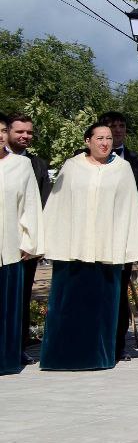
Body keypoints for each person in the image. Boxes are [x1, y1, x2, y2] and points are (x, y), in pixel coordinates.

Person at [40, 123, 138, 370]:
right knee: (68, 306)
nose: (104, 143)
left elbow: (129, 209)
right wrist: (49, 241)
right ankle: (62, 356)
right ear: (88, 141)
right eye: (99, 138)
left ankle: (97, 357)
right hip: (72, 248)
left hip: (107, 250)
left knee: (100, 309)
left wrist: (130, 247)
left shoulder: (122, 168)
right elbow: (57, 205)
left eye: (108, 138)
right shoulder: (72, 167)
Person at [101, 110, 138, 362]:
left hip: (123, 236)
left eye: (121, 126)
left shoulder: (137, 161)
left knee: (120, 291)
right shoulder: (80, 158)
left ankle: (118, 345)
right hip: (95, 237)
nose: (117, 131)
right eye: (112, 126)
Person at [6, 113, 50, 364]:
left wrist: (35, 241)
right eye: (19, 132)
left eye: (29, 132)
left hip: (24, 246)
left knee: (21, 298)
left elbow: (42, 204)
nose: (24, 136)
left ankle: (17, 346)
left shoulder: (37, 164)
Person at [0, 115, 42, 374]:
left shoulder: (21, 165)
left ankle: (6, 358)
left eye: (3, 131)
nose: (0, 136)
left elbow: (30, 205)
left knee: (7, 309)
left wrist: (30, 240)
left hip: (9, 250)